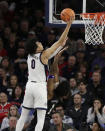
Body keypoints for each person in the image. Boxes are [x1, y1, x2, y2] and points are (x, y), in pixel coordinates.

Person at [16, 17, 75, 131]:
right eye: (38, 43)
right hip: (39, 87)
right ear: (36, 48)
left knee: (23, 116)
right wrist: (68, 25)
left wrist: (60, 46)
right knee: (41, 118)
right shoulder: (43, 55)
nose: (40, 43)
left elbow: (52, 52)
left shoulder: (29, 55)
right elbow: (56, 44)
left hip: (29, 86)